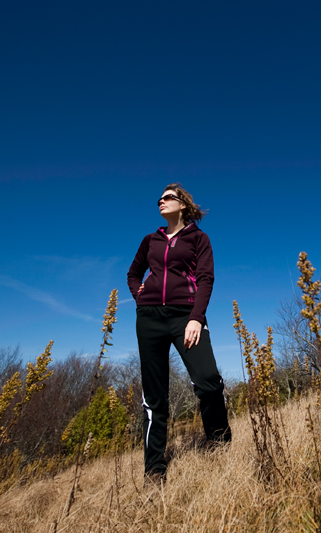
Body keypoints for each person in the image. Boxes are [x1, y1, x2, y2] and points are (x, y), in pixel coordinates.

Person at [127, 183, 231, 480]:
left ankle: (219, 443)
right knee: (154, 395)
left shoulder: (198, 238)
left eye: (167, 197)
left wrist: (196, 318)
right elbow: (133, 274)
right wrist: (140, 295)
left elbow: (206, 278)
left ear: (182, 204)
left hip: (185, 315)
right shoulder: (150, 240)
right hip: (149, 319)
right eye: (158, 198)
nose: (161, 201)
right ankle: (155, 469)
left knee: (208, 380)